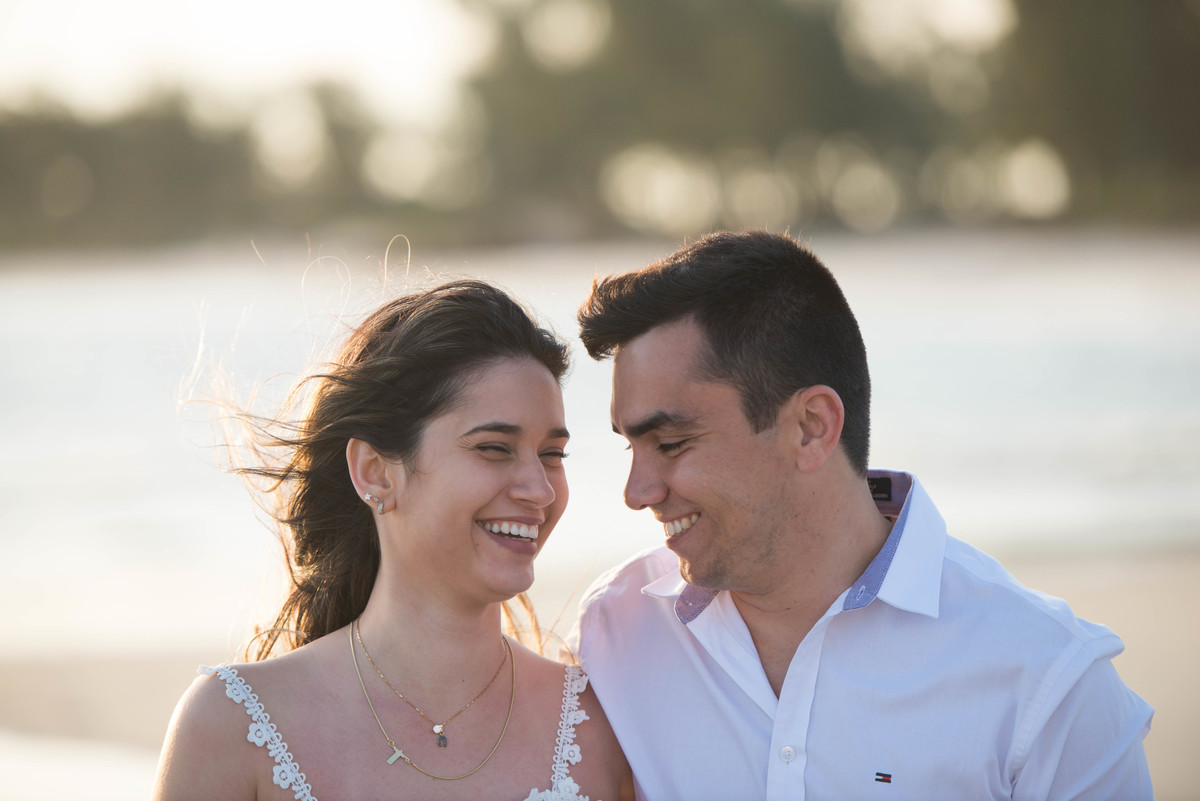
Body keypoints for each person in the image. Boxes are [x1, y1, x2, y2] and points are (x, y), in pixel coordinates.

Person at [569, 231, 1154, 800]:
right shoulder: (612, 634)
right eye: (630, 446)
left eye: (670, 444)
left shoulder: (1049, 684)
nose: (636, 492)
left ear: (811, 427)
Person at [154, 279, 629, 801]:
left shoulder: (597, 726)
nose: (539, 490)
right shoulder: (233, 726)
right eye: (495, 448)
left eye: (552, 455)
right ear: (376, 472)